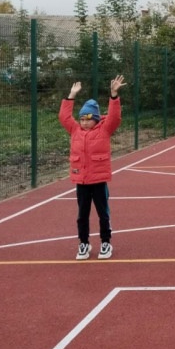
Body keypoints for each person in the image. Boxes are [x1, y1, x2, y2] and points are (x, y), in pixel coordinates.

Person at [58, 75, 126, 260]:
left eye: (89, 119)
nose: (85, 122)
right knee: (82, 215)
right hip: (81, 181)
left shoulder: (104, 130)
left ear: (96, 119)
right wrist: (71, 96)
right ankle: (84, 243)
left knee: (103, 213)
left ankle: (105, 242)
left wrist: (113, 95)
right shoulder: (75, 130)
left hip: (99, 181)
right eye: (82, 119)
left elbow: (114, 117)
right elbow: (64, 116)